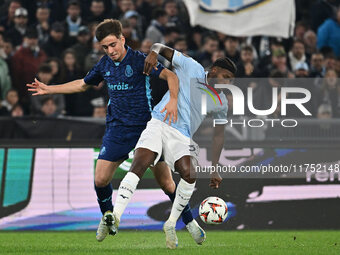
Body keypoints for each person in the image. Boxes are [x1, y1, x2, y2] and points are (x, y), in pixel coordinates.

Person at [27, 19, 201, 244]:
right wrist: (49, 88)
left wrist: (173, 101)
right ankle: (108, 218)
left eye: (112, 45)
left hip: (147, 129)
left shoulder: (140, 59)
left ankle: (190, 223)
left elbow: (171, 76)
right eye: (104, 47)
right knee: (100, 179)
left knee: (168, 184)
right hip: (117, 130)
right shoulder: (103, 65)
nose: (110, 51)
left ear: (122, 39)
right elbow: (83, 84)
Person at [111, 43, 235, 249]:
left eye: (231, 81)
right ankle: (115, 217)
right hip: (159, 122)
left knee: (190, 173)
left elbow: (218, 136)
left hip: (181, 136)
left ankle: (170, 224)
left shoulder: (221, 101)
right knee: (140, 164)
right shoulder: (191, 66)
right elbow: (160, 46)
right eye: (225, 78)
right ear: (214, 71)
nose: (227, 83)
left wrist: (215, 167)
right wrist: (153, 53)